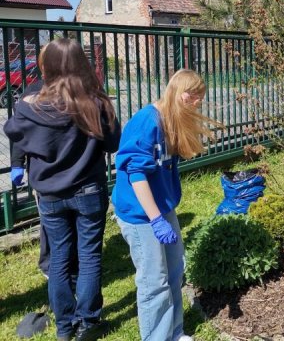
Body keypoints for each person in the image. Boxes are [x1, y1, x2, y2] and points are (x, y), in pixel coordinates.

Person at [4, 39, 121, 341]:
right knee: (89, 255)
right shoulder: (96, 102)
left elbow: (19, 137)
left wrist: (21, 164)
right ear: (81, 64)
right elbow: (113, 145)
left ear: (48, 66)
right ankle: (88, 323)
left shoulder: (28, 105)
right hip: (89, 191)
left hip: (51, 195)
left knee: (58, 257)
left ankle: (64, 327)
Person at [112, 69, 215, 341]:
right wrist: (156, 219)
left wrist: (162, 214)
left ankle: (174, 332)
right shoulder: (147, 122)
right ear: (184, 96)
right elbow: (135, 174)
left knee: (174, 271)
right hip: (140, 215)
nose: (199, 106)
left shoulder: (173, 118)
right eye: (197, 100)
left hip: (162, 207)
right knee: (153, 281)